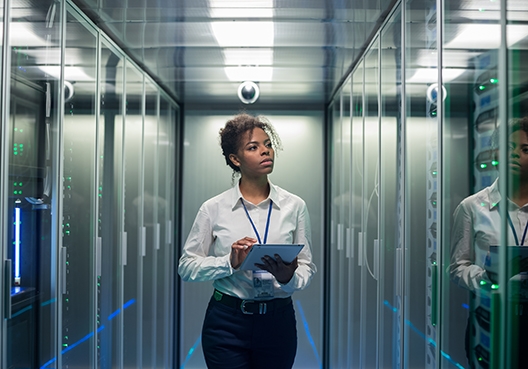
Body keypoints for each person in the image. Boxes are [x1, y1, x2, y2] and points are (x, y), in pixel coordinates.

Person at [178, 113, 317, 369]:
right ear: (235, 159)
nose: (266, 151)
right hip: (227, 322)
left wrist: (288, 278)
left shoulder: (294, 206)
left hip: (278, 321)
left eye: (267, 144)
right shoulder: (213, 208)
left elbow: (308, 266)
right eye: (253, 147)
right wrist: (228, 263)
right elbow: (186, 267)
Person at [449, 117, 528, 367]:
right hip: (491, 321)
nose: (514, 155)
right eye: (508, 148)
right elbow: (457, 267)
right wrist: (489, 281)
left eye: (525, 149)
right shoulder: (472, 207)